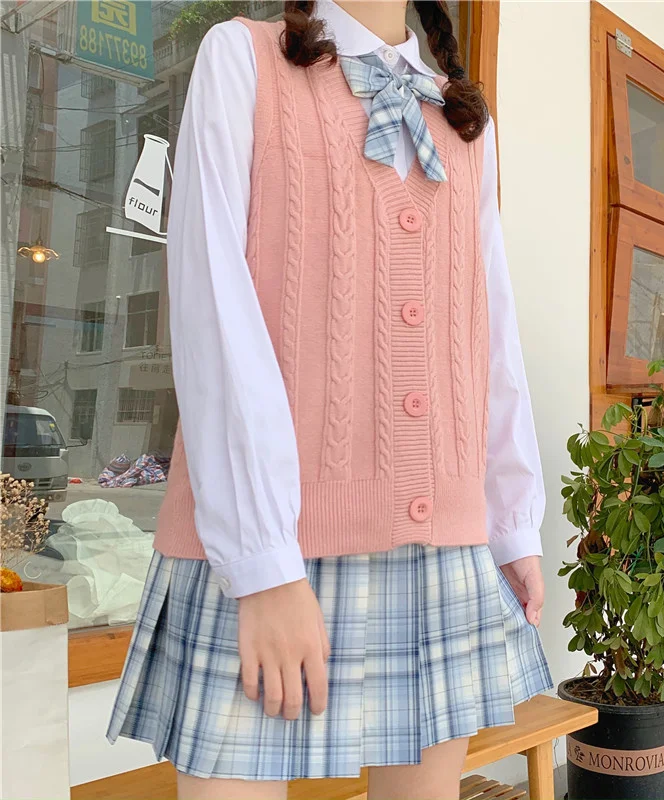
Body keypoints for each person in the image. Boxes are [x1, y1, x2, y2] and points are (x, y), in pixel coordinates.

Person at [107, 2, 552, 798]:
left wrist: (511, 516)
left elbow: (487, 326)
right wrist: (264, 567)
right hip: (261, 546)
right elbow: (213, 307)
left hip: (442, 544)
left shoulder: (465, 124)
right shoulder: (243, 60)